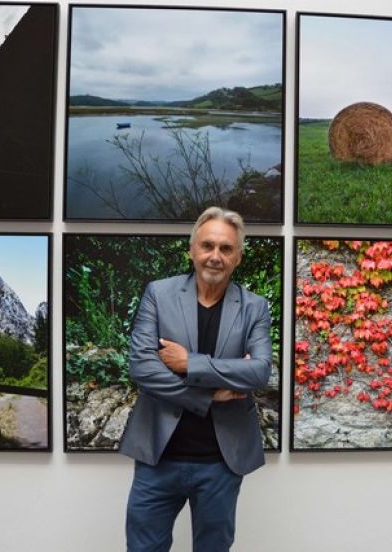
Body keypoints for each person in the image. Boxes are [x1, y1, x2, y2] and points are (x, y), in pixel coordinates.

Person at [119, 206, 273, 552]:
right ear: (192, 250)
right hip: (158, 458)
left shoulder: (254, 307)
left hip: (221, 463)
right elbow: (142, 367)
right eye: (207, 245)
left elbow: (260, 371)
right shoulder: (159, 294)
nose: (215, 256)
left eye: (226, 248)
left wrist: (189, 363)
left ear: (238, 257)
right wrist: (208, 395)